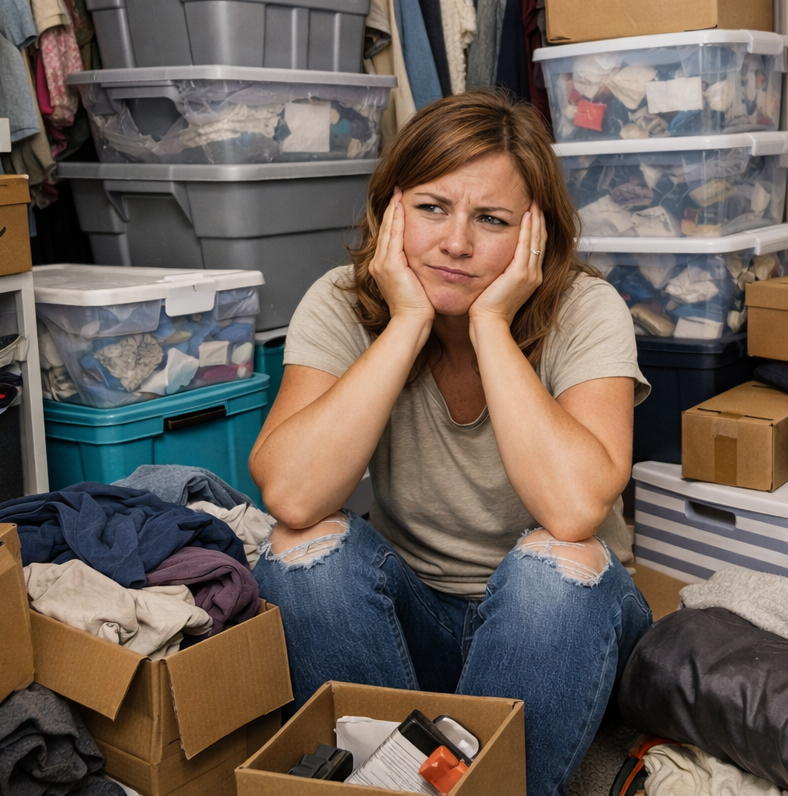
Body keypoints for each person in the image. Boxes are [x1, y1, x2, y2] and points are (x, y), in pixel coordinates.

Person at [250, 91, 653, 796]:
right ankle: (398, 781)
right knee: (299, 550)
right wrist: (407, 320)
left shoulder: (588, 309)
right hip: (414, 622)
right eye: (432, 208)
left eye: (491, 220)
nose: (456, 243)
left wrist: (492, 326)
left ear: (537, 235)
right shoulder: (343, 300)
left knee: (553, 567)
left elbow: (574, 511)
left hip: (563, 628)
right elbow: (290, 493)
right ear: (391, 209)